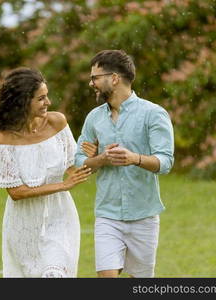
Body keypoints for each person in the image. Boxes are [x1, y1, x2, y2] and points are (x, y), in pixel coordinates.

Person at [75, 50, 174, 278]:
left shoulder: (154, 114)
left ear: (114, 78)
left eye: (95, 78)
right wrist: (101, 159)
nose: (92, 84)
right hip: (107, 215)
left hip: (144, 216)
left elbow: (166, 161)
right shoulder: (94, 118)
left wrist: (134, 159)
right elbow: (78, 160)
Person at [0, 67, 92, 277]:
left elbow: (74, 166)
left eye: (47, 96)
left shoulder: (57, 122)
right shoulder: (4, 138)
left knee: (55, 274)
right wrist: (63, 185)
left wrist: (96, 156)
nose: (48, 103)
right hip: (23, 224)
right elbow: (16, 193)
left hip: (60, 216)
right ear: (23, 101)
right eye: (41, 98)